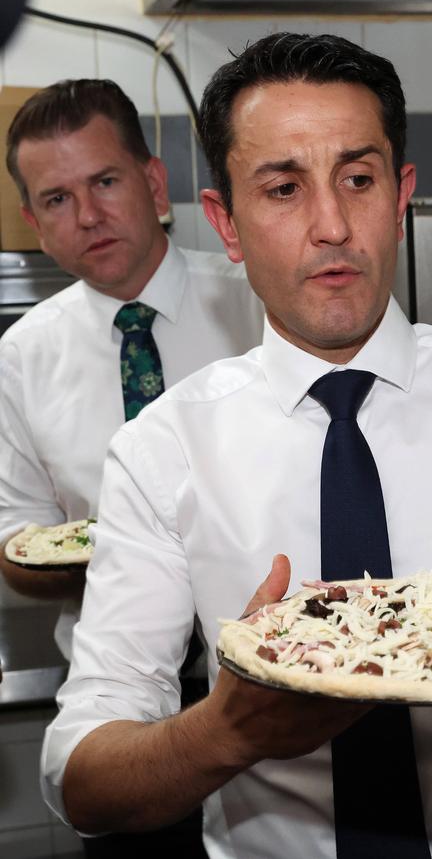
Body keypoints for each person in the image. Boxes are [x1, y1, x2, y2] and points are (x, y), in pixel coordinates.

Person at [41, 34, 432, 859]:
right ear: (224, 221)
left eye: (358, 179)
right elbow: (82, 775)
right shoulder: (163, 451)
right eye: (285, 188)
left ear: (400, 196)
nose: (332, 226)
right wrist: (227, 730)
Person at [0, 79, 264, 659]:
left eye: (105, 182)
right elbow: (17, 544)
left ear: (154, 183)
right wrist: (125, 553)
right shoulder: (19, 358)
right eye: (57, 199)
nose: (89, 216)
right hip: (113, 681)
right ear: (34, 224)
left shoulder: (259, 302)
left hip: (271, 660)